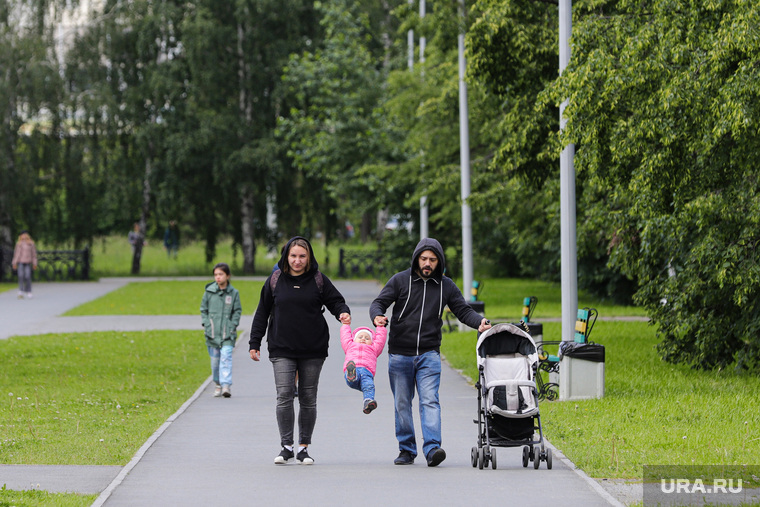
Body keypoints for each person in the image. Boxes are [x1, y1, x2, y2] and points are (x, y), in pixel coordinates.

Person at [370, 237, 491, 467]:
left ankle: (433, 448)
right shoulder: (400, 280)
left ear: (439, 262)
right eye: (424, 259)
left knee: (429, 401)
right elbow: (379, 303)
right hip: (400, 354)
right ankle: (406, 449)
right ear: (416, 259)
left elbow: (463, 310)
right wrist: (377, 315)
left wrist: (479, 322)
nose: (427, 263)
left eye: (432, 260)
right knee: (402, 403)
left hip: (429, 354)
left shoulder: (446, 285)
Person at [249, 236, 351, 465]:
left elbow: (336, 301)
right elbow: (262, 312)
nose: (297, 260)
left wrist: (342, 312)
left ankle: (303, 447)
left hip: (312, 348)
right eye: (293, 256)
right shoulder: (275, 280)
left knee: (307, 397)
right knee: (284, 395)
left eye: (302, 256)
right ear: (286, 257)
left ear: (309, 258)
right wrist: (254, 343)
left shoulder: (318, 280)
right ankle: (286, 446)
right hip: (281, 347)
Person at [200, 262, 242, 398]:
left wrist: (233, 324)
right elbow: (203, 310)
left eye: (221, 274)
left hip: (227, 334)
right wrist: (207, 324)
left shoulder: (233, 293)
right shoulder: (209, 292)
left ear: (227, 276)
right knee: (215, 362)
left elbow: (237, 311)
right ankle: (217, 383)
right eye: (216, 275)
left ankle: (226, 385)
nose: (218, 277)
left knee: (226, 358)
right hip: (212, 333)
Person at [340, 324, 387, 414]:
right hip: (354, 367)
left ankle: (368, 402)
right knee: (354, 378)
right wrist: (345, 325)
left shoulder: (374, 348)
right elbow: (345, 336)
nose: (363, 339)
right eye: (360, 337)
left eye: (367, 338)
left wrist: (381, 327)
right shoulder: (349, 345)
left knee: (369, 385)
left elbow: (381, 340)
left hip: (367, 372)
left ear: (372, 341)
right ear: (354, 339)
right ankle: (352, 375)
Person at [11, 231, 38, 299]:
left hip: (28, 262)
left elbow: (34, 254)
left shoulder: (31, 244)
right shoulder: (19, 244)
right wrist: (14, 263)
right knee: (20, 276)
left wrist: (34, 263)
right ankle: (21, 290)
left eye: (25, 235)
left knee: (27, 276)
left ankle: (28, 291)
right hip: (20, 262)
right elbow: (16, 254)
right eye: (22, 235)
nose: (24, 236)